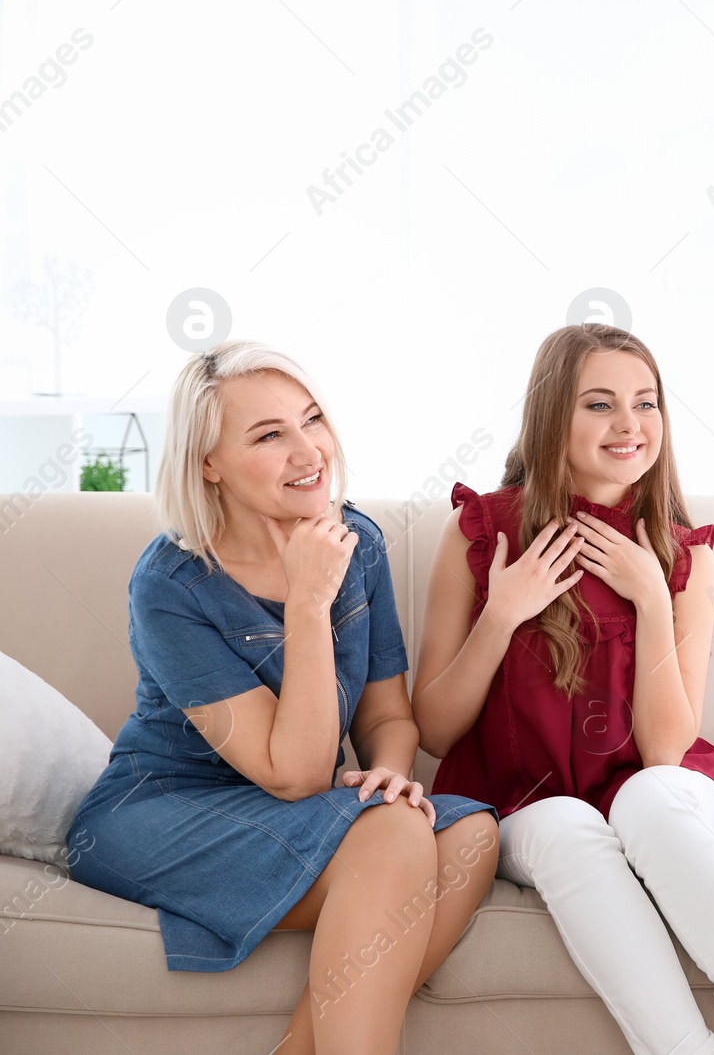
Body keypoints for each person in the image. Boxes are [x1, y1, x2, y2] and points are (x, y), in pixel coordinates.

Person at [412, 322, 714, 1055]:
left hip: (660, 793)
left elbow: (668, 747)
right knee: (564, 825)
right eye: (600, 404)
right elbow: (436, 729)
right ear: (553, 416)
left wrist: (651, 597)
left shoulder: (682, 553)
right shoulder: (484, 532)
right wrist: (504, 612)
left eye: (646, 403)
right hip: (520, 803)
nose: (629, 425)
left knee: (644, 799)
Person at [66, 341, 500, 1055]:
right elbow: (295, 773)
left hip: (291, 806)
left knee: (468, 834)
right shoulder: (170, 582)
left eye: (313, 419)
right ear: (209, 462)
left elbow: (388, 716)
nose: (310, 451)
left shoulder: (357, 541)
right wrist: (307, 603)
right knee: (395, 832)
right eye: (270, 435)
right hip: (163, 804)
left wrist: (392, 768)